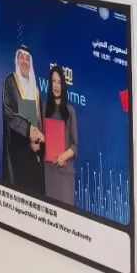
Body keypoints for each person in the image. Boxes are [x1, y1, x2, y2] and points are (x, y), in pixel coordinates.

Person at [2, 46, 45, 196]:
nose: (24, 62)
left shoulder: (35, 90)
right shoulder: (10, 81)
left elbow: (39, 121)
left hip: (33, 151)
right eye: (21, 58)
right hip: (17, 149)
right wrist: (28, 130)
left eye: (27, 59)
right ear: (16, 60)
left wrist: (37, 140)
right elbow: (8, 112)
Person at [42, 65, 78, 207]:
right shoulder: (44, 108)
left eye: (59, 82)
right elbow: (41, 138)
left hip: (65, 172)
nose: (56, 86)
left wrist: (63, 157)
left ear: (63, 85)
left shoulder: (70, 111)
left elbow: (74, 145)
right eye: (53, 81)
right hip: (49, 172)